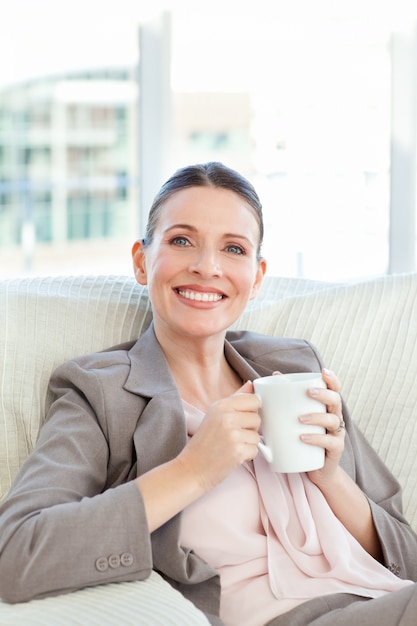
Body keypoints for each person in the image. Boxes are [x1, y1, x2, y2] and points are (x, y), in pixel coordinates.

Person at [0, 161, 417, 626]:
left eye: (233, 249)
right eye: (181, 240)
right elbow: (17, 552)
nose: (207, 267)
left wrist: (331, 478)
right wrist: (193, 470)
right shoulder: (100, 391)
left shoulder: (296, 367)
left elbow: (407, 555)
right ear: (141, 260)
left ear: (256, 277)